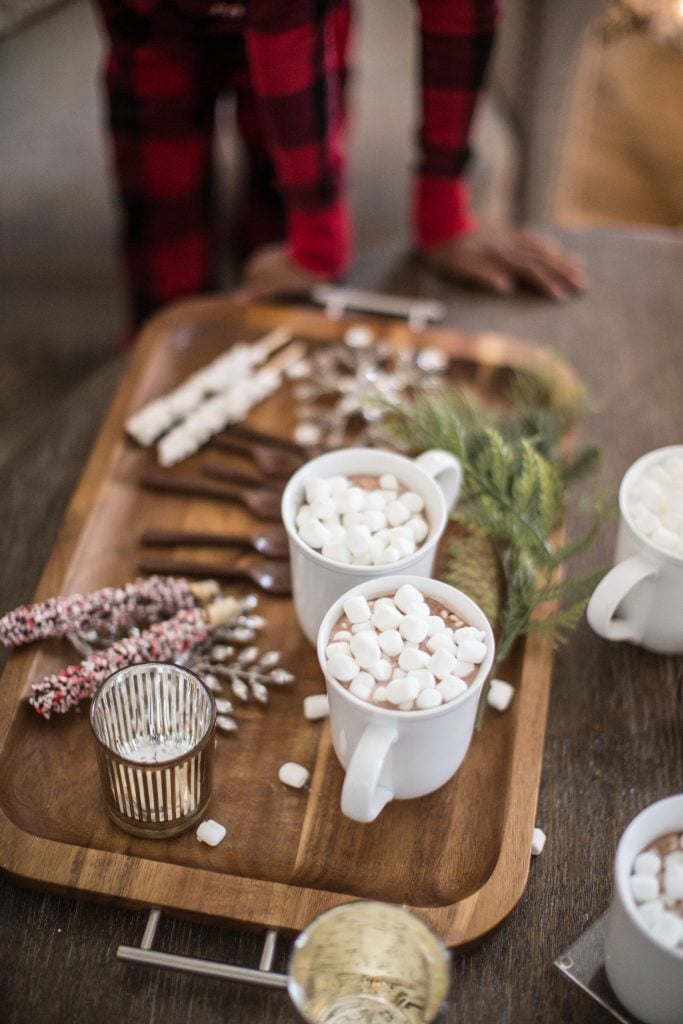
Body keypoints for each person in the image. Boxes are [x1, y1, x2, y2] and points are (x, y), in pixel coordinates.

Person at [94, 0, 587, 335]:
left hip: (312, 29)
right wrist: (319, 244)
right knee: (165, 246)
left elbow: (461, 11)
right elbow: (283, 16)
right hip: (152, 29)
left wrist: (443, 216)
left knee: (279, 243)